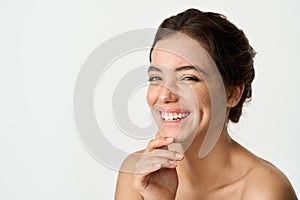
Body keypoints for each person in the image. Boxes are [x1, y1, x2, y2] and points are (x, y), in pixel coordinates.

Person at [115, 8, 297, 199]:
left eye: (188, 78)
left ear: (232, 94)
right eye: (156, 78)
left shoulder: (265, 192)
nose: (164, 95)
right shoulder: (136, 175)